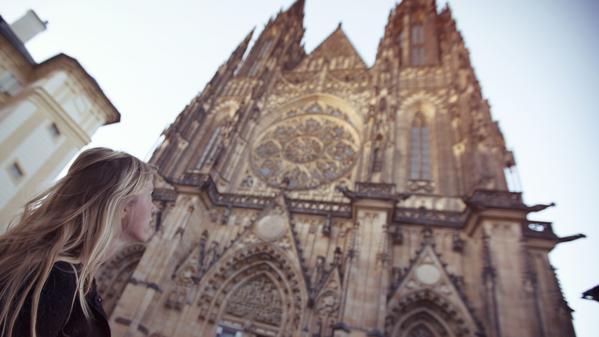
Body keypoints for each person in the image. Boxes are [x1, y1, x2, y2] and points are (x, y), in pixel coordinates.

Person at [0, 147, 157, 337]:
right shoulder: (56, 280)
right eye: (150, 195)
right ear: (124, 206)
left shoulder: (59, 272)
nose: (155, 208)